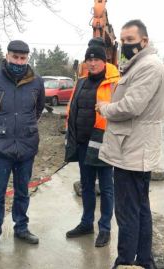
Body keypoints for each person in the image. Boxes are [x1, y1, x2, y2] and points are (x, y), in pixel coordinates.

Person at [96, 20, 164, 269]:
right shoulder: (138, 65)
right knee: (140, 209)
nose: (124, 44)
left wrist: (105, 108)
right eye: (122, 40)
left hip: (133, 151)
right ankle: (145, 261)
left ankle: (125, 262)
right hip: (133, 148)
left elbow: (130, 106)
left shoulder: (149, 66)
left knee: (128, 213)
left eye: (129, 40)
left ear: (144, 41)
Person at [0, 40, 45, 253]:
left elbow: (38, 109)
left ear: (27, 59)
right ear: (7, 56)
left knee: (22, 191)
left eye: (23, 58)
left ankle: (21, 228)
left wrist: (26, 128)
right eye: (15, 57)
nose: (18, 62)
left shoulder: (37, 82)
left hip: (26, 146)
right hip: (0, 148)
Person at [64, 41, 120, 247]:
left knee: (106, 188)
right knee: (87, 185)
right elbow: (72, 109)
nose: (93, 63)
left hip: (104, 143)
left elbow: (121, 112)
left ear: (104, 62)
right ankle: (86, 223)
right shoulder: (80, 82)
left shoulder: (115, 83)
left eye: (97, 59)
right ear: (86, 62)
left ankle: (105, 228)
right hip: (82, 143)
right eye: (90, 59)